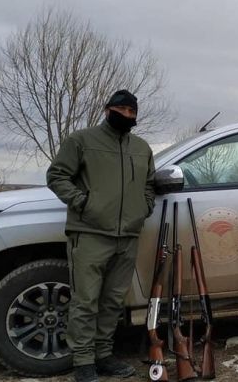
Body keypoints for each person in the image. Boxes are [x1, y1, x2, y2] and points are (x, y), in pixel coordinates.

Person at [47, 90, 156, 382]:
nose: (127, 116)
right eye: (121, 109)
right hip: (91, 234)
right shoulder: (81, 141)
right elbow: (57, 175)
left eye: (132, 112)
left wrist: (143, 208)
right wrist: (83, 203)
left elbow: (149, 185)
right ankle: (83, 363)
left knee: (112, 301)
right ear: (107, 109)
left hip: (128, 235)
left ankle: (103, 355)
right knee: (85, 300)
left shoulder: (142, 148)